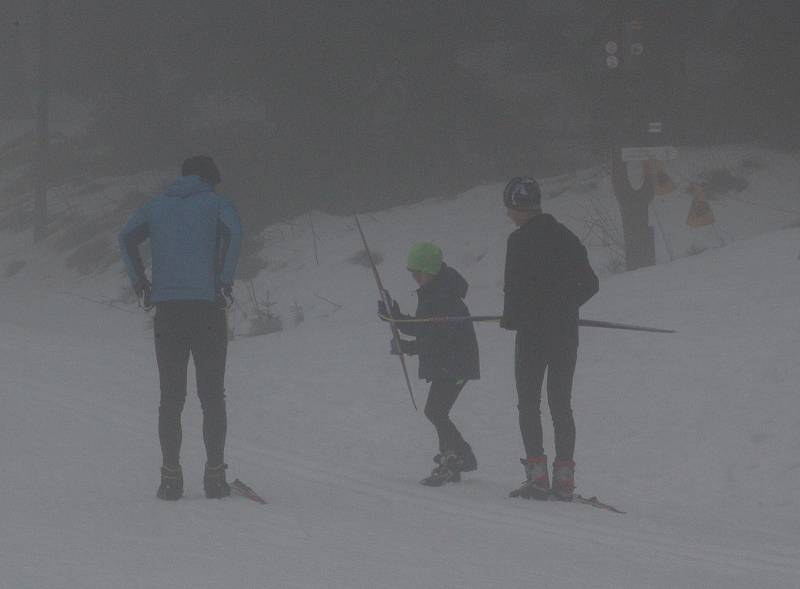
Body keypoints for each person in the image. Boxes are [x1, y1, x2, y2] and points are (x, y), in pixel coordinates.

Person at [119, 155, 243, 501]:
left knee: (171, 399)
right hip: (207, 310)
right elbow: (236, 233)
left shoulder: (155, 208)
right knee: (212, 397)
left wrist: (141, 284)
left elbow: (126, 237)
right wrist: (224, 282)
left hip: (168, 311)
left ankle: (171, 478)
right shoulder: (217, 204)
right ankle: (215, 478)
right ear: (209, 180)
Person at [501, 177, 599, 501]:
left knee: (528, 403)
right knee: (561, 404)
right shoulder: (566, 238)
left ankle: (537, 476)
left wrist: (512, 317)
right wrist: (565, 307)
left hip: (532, 337)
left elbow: (513, 291)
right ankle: (565, 479)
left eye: (509, 208)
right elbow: (590, 284)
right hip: (565, 335)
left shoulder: (518, 243)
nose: (508, 215)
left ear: (517, 207)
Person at [379, 243, 480, 486]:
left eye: (418, 273)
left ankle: (457, 457)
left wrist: (407, 347)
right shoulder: (435, 291)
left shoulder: (444, 296)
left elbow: (437, 340)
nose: (415, 278)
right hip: (449, 363)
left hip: (456, 363)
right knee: (436, 411)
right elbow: (424, 328)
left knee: (435, 411)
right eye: (412, 274)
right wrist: (396, 318)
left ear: (431, 271)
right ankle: (457, 456)